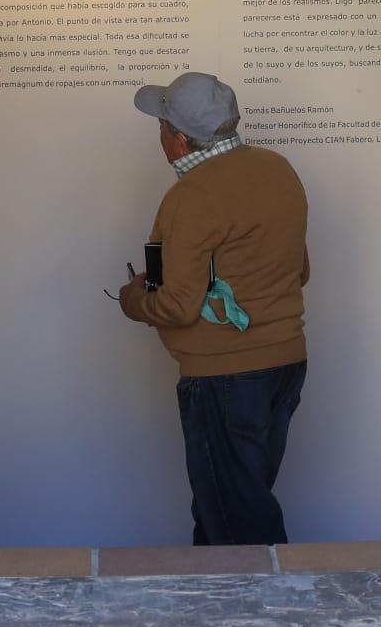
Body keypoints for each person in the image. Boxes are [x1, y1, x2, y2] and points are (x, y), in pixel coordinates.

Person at [117, 71, 311, 546]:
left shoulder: (192, 196)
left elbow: (179, 306)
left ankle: (275, 611)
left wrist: (134, 299)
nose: (159, 137)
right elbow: (299, 270)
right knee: (226, 507)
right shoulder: (278, 168)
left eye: (161, 126)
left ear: (179, 138)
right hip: (286, 363)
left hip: (224, 378)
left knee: (239, 525)